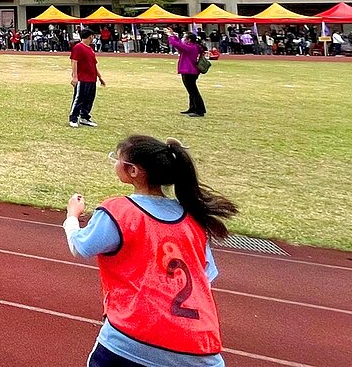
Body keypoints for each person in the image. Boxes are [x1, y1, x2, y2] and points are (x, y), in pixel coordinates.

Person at [63, 136, 237, 367]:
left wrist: (72, 217)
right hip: (202, 348)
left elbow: (82, 246)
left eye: (117, 159)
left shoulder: (119, 211)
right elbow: (205, 276)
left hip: (133, 339)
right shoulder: (194, 218)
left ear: (133, 171)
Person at [166, 28, 207, 118]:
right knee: (191, 91)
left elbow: (177, 44)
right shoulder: (193, 46)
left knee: (193, 92)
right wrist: (174, 36)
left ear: (189, 39)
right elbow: (179, 44)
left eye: (185, 37)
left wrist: (171, 36)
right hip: (191, 71)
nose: (183, 39)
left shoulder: (190, 47)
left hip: (189, 71)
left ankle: (199, 110)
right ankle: (193, 108)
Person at [70, 28, 105, 128]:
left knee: (89, 99)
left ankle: (84, 117)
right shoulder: (78, 47)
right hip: (82, 79)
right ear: (90, 36)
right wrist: (75, 77)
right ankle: (73, 118)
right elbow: (74, 61)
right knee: (79, 99)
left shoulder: (90, 49)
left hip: (92, 79)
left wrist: (99, 77)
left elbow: (93, 64)